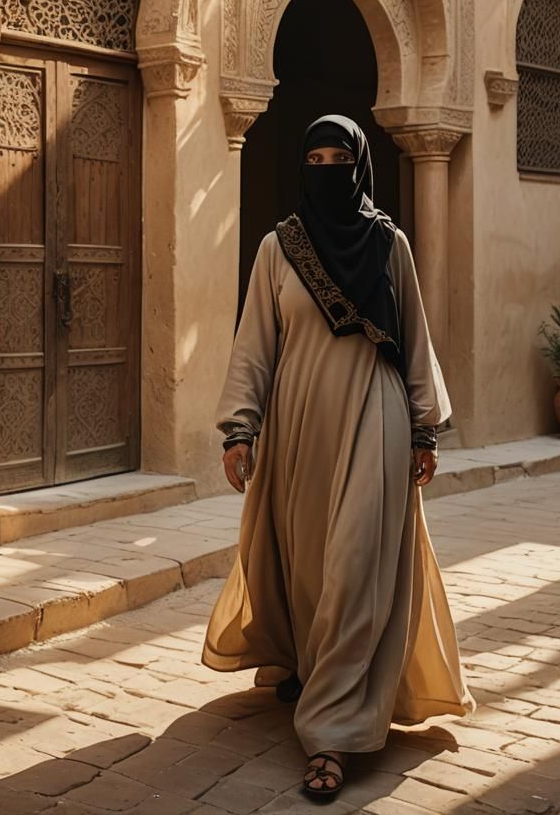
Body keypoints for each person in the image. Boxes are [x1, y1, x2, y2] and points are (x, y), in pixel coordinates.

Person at [201, 115, 469, 801]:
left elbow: (411, 336)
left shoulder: (389, 244)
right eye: (314, 157)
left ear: (360, 166)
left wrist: (422, 428)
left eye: (338, 157)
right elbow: (255, 344)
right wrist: (240, 428)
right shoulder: (276, 249)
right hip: (296, 430)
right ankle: (308, 668)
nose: (327, 169)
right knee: (309, 570)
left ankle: (332, 736)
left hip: (372, 420)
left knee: (355, 569)